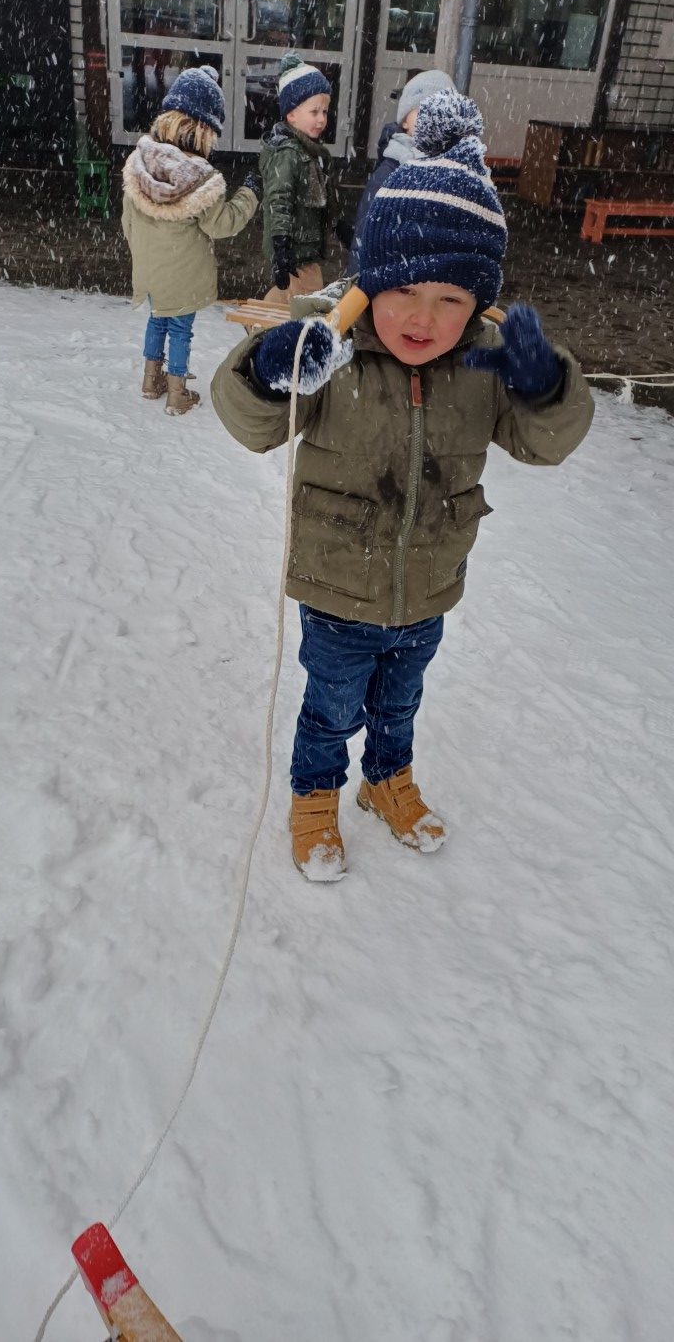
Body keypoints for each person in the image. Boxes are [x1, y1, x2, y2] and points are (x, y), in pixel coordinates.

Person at [211, 90, 594, 882]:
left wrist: (546, 386)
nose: (424, 318)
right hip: (337, 587)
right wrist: (271, 368)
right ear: (370, 285)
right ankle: (315, 795)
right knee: (332, 707)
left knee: (400, 703)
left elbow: (545, 442)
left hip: (427, 588)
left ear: (479, 303)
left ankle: (387, 780)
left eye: (451, 299)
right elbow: (250, 421)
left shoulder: (483, 362)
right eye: (404, 293)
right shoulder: (334, 347)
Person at [122, 64, 259, 415]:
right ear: (203, 130)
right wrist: (249, 194)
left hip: (150, 270)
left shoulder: (139, 164)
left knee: (157, 319)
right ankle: (177, 392)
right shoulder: (201, 179)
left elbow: (128, 221)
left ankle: (150, 380)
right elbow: (222, 224)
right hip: (184, 277)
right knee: (181, 329)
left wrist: (144, 253)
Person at [345, 68, 457, 274]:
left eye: (442, 113)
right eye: (423, 111)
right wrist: (358, 281)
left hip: (438, 280)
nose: (432, 120)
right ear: (404, 121)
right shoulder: (390, 172)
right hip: (394, 278)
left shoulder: (458, 172)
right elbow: (365, 236)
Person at [259, 52, 333, 305]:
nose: (321, 119)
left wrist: (339, 225)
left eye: (325, 111)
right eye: (314, 112)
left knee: (291, 296)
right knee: (309, 299)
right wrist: (281, 244)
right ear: (291, 115)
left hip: (305, 244)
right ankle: (267, 323)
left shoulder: (311, 151)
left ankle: (260, 322)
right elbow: (278, 200)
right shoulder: (288, 153)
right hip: (294, 245)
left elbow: (324, 196)